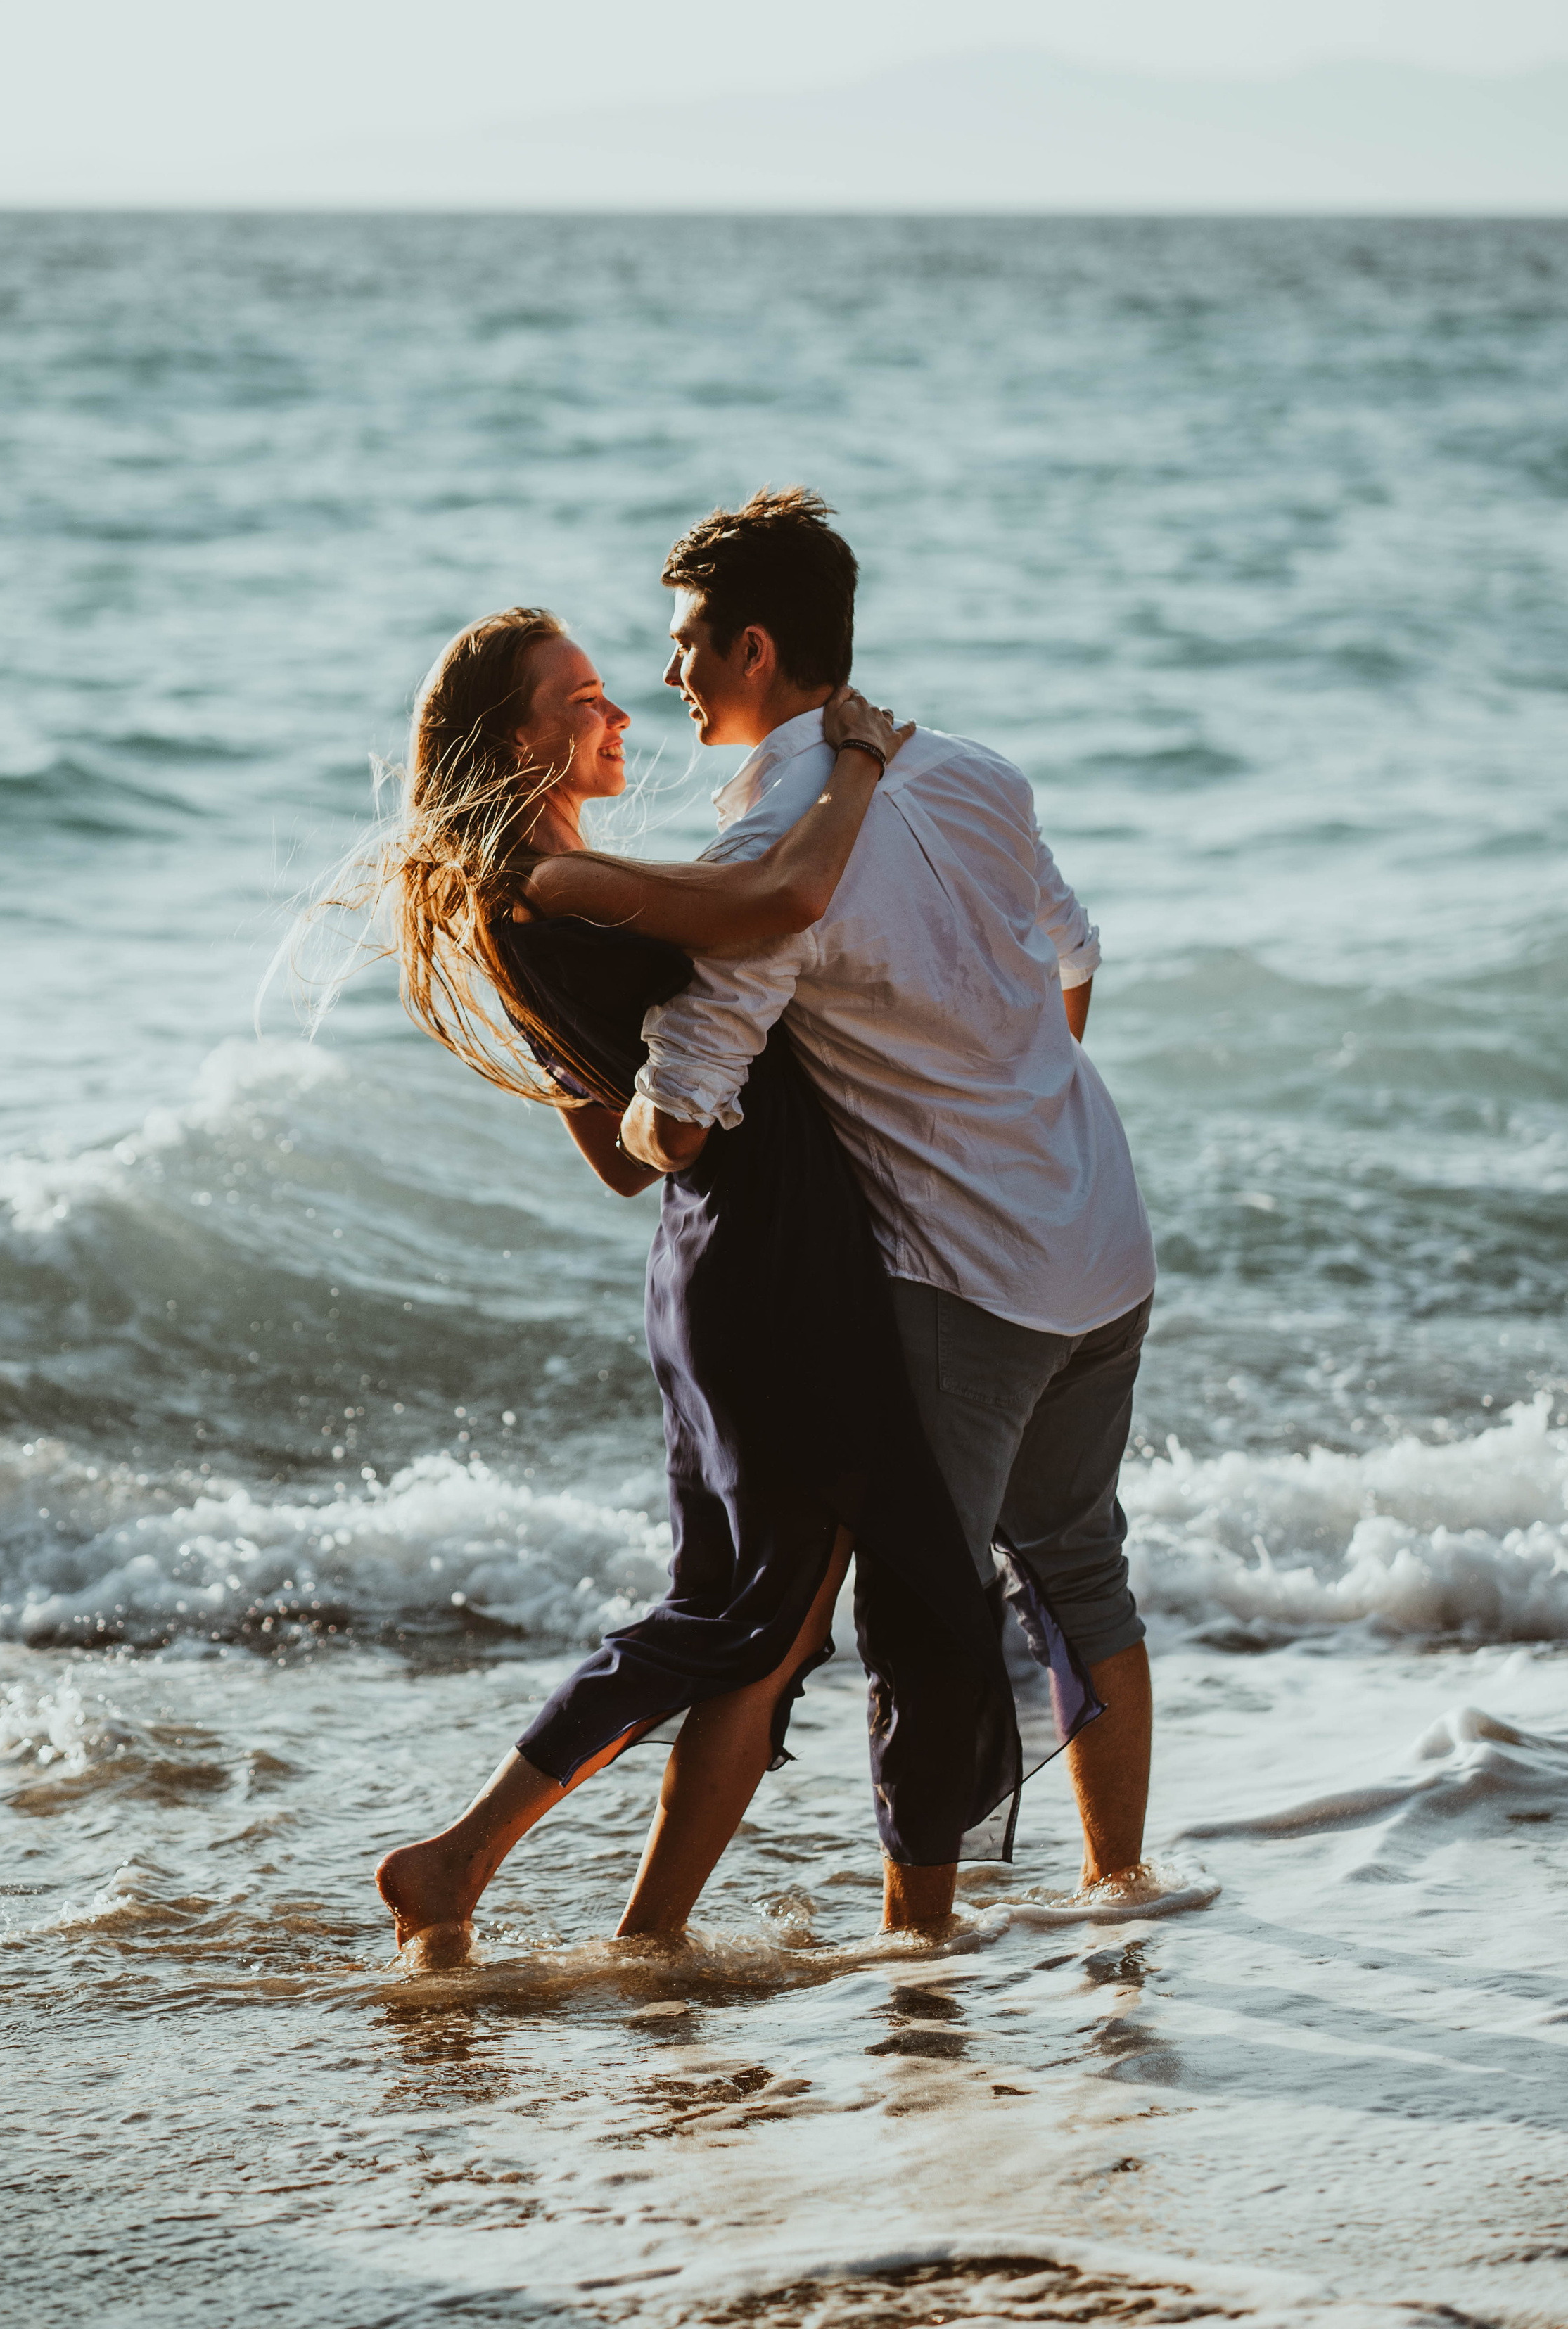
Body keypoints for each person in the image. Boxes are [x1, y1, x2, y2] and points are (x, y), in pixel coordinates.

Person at [360, 605, 1056, 1967]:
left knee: (761, 1632)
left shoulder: (532, 899)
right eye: (581, 700)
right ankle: (453, 1858)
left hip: (718, 1262)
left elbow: (622, 1156)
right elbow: (784, 900)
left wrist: (673, 1090)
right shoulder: (556, 891)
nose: (616, 717)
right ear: (517, 737)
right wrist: (853, 762)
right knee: (745, 1617)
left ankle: (642, 1934)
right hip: (769, 1275)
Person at [623, 487, 1159, 1920]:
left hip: (966, 1284)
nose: (666, 674)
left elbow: (677, 1117)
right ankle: (1117, 1893)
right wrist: (1009, 1106)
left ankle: (918, 1945)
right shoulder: (973, 770)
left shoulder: (760, 863)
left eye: (682, 645)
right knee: (1077, 1568)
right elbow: (1072, 954)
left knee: (920, 1613)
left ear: (751, 649)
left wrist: (597, 1097)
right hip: (1099, 1233)